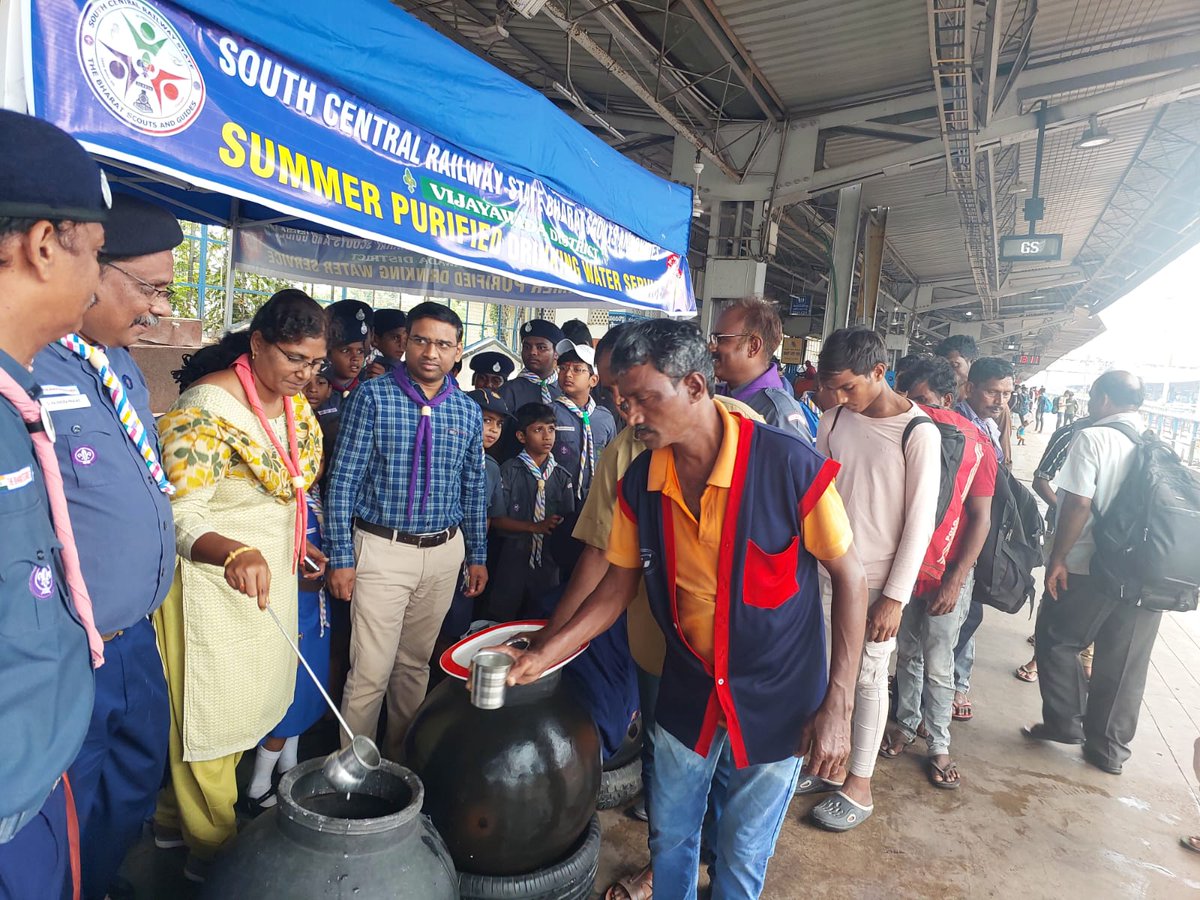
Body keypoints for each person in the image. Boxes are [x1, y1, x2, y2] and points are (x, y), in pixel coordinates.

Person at [497, 319, 868, 900]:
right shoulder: (642, 479)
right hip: (688, 688)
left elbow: (850, 577)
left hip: (779, 696)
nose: (631, 416)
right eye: (621, 402)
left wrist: (838, 703)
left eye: (645, 399)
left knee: (743, 853)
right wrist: (539, 657)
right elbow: (616, 588)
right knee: (670, 840)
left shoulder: (786, 464)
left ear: (695, 386)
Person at [31, 193, 181, 900]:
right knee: (67, 801)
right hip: (72, 647)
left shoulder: (117, 367)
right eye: (148, 287)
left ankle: (102, 879)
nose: (156, 308)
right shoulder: (30, 370)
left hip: (136, 638)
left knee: (135, 777)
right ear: (91, 266)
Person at [154, 289, 327, 882]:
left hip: (265, 576)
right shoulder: (203, 407)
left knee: (249, 705)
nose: (304, 374)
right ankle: (214, 856)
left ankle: (173, 823)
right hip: (211, 586)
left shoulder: (288, 400)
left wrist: (297, 543)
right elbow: (180, 514)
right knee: (209, 720)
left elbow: (287, 487)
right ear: (256, 345)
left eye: (314, 362)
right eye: (292, 357)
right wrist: (234, 549)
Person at [0, 109, 110, 900]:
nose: (100, 284)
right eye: (95, 255)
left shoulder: (21, 396)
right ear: (43, 245)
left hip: (36, 779)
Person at [326, 302, 488, 761]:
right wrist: (341, 555)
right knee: (370, 673)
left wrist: (477, 554)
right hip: (382, 549)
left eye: (442, 343)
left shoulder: (466, 412)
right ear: (404, 344)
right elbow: (343, 482)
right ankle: (355, 773)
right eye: (420, 340)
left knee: (414, 667)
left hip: (443, 553)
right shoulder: (373, 397)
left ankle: (400, 765)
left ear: (458, 351)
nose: (430, 352)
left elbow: (473, 488)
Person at [806, 327, 940, 831]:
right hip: (824, 569)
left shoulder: (917, 432)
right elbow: (817, 490)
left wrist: (896, 600)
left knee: (866, 677)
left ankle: (858, 783)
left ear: (879, 372)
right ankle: (826, 761)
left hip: (877, 582)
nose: (840, 397)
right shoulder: (834, 417)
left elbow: (919, 522)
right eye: (832, 388)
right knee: (823, 668)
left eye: (848, 387)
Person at [1024, 371, 1154, 775]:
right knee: (1125, 662)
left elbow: (1078, 502)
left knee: (1056, 638)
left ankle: (1064, 722)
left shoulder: (1093, 437)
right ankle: (1108, 751)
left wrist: (1059, 557)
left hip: (1090, 568)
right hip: (1147, 573)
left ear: (1101, 399)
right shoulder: (1156, 445)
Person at [887, 357, 995, 789]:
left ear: (948, 401)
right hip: (905, 568)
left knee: (937, 659)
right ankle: (906, 724)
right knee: (908, 652)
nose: (916, 409)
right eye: (909, 400)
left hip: (947, 571)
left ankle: (939, 741)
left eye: (924, 401)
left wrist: (956, 578)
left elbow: (981, 518)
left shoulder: (976, 444)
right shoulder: (903, 433)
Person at [949, 356, 1014, 720]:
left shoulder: (990, 425)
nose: (1000, 400)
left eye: (1006, 393)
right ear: (970, 388)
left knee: (968, 616)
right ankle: (940, 696)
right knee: (961, 617)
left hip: (980, 531)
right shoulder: (958, 427)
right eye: (992, 391)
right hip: (960, 536)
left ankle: (955, 685)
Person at [1015, 407, 1096, 685]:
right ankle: (1041, 656)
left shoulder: (1128, 439)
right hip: (1064, 532)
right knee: (1056, 591)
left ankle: (1082, 660)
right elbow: (1041, 478)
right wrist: (1064, 511)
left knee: (1086, 598)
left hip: (1104, 540)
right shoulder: (1072, 433)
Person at [489, 403, 576, 621]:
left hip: (548, 563)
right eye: (538, 430)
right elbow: (497, 519)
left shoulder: (562, 477)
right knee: (502, 615)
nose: (547, 436)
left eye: (551, 429)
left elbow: (567, 522)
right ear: (521, 436)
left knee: (543, 617)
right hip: (512, 557)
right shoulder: (508, 471)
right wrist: (533, 527)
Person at [711, 296, 814, 441]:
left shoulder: (778, 413)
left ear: (753, 346)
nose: (711, 347)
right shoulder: (715, 394)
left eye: (720, 339)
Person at [553, 339, 617, 498]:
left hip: (595, 497)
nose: (568, 374)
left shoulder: (605, 418)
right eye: (563, 368)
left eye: (577, 369)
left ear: (593, 380)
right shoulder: (550, 413)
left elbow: (612, 461)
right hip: (557, 498)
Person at [314, 299, 373, 443]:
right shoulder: (315, 386)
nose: (355, 358)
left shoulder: (369, 386)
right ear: (328, 353)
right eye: (345, 350)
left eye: (360, 351)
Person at [500, 318, 565, 409]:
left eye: (541, 347)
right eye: (527, 347)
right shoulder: (509, 391)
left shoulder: (566, 388)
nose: (532, 352)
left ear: (556, 353)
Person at [362, 308, 407, 380]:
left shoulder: (409, 370)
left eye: (405, 338)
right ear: (376, 339)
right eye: (395, 338)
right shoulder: (371, 371)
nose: (402, 345)